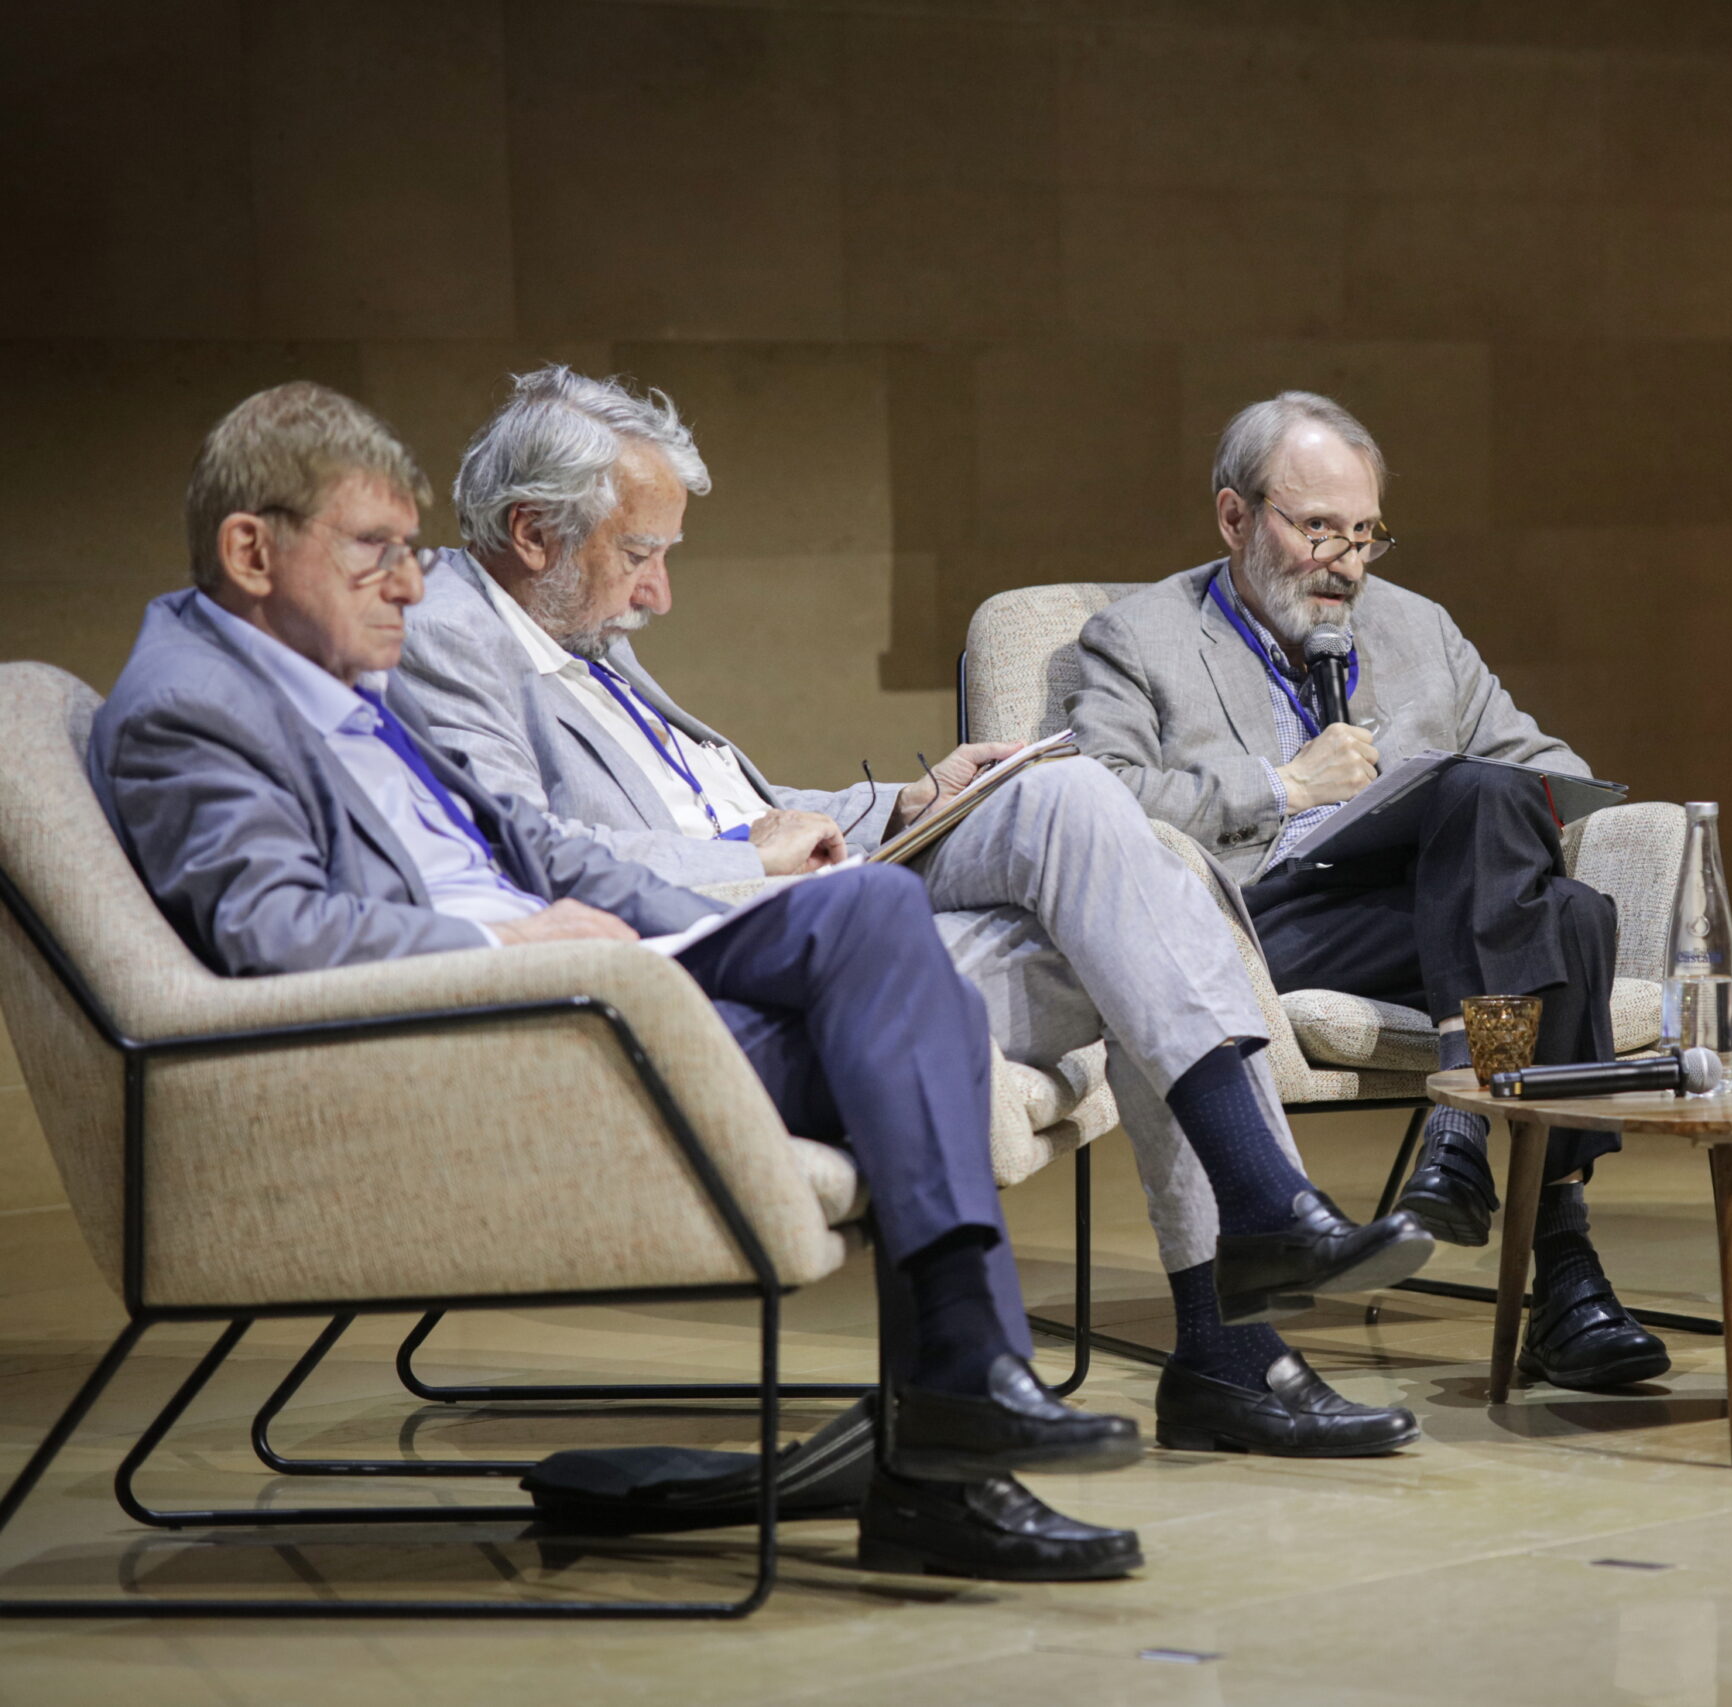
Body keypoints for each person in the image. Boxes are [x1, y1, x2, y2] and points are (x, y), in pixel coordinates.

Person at [85, 382, 1160, 1580]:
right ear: (251, 551)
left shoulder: (332, 677)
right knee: (925, 1017)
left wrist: (736, 915)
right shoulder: (190, 708)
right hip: (499, 1030)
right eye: (376, 552)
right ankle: (951, 1438)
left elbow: (542, 848)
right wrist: (504, 949)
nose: (410, 585)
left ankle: (957, 1407)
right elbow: (268, 928)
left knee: (869, 920)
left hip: (601, 975)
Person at [397, 367, 1430, 1459]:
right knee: (1153, 911)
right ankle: (1238, 1324)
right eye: (642, 554)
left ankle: (1257, 1241)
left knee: (1073, 796)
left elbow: (740, 806)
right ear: (532, 533)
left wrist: (906, 799)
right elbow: (527, 857)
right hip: (734, 958)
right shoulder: (451, 636)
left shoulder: (581, 628)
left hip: (813, 891)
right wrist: (742, 855)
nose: (658, 593)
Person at [1070, 391, 1672, 1392]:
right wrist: (1284, 786)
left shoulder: (1418, 628)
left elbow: (1545, 766)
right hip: (1261, 923)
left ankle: (1469, 1144)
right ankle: (1560, 1265)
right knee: (1563, 921)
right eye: (1317, 528)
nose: (1346, 562)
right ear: (1234, 516)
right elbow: (1095, 799)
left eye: (1365, 533)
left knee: (1539, 873)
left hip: (1429, 919)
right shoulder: (1138, 638)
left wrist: (1444, 804)